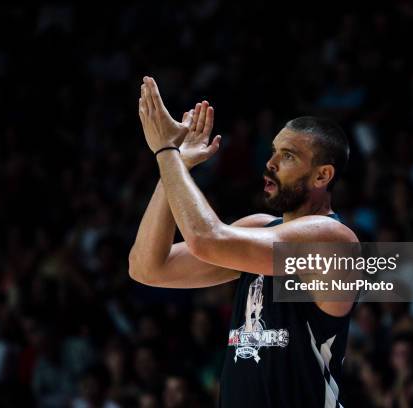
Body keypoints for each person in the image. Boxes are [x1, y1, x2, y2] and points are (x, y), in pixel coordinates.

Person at [129, 76, 358, 407]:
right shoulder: (259, 228)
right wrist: (179, 163)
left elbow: (207, 239)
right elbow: (147, 268)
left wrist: (166, 153)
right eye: (273, 151)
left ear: (322, 176)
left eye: (289, 156)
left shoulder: (332, 239)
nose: (271, 163)